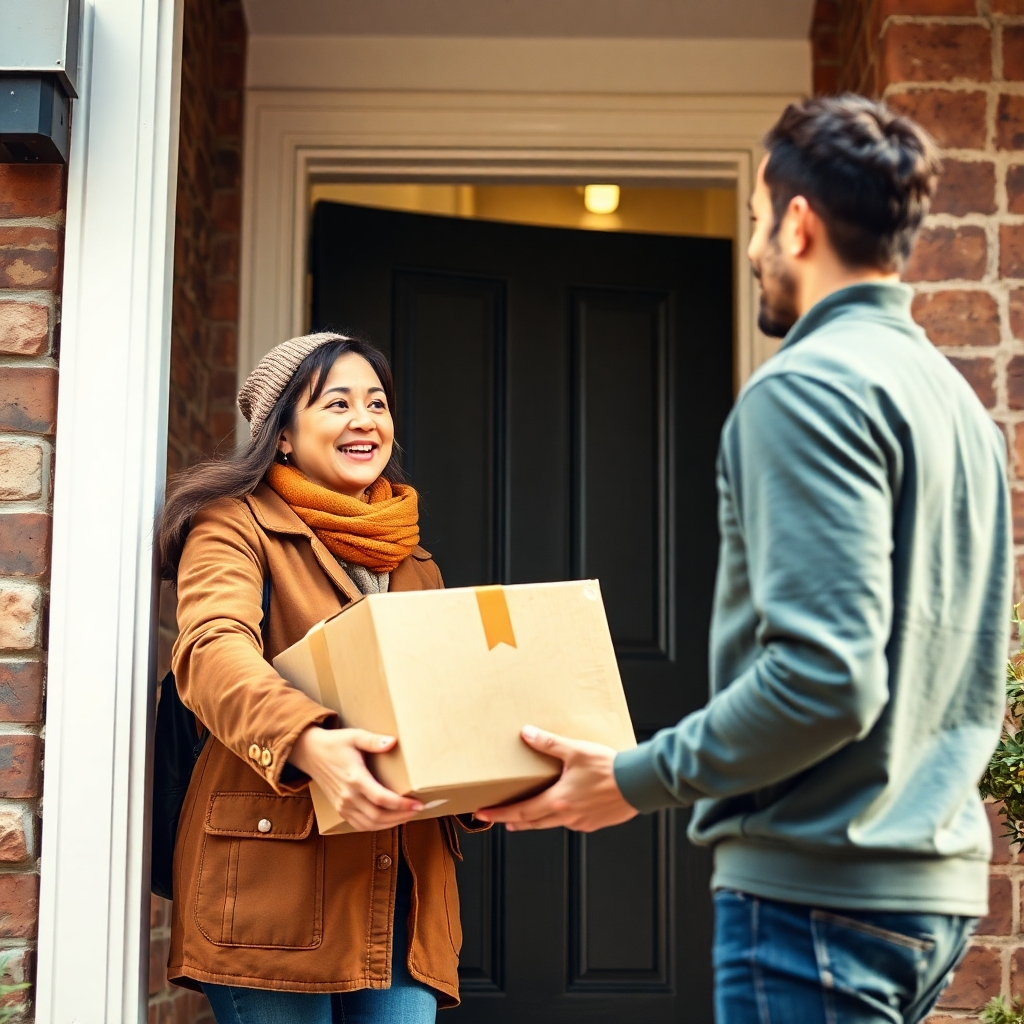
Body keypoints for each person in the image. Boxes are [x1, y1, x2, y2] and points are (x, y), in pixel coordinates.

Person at [477, 95, 1014, 1023]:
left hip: (817, 904)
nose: (757, 245)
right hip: (929, 895)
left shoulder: (805, 390)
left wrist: (633, 776)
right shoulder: (955, 403)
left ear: (798, 223)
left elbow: (826, 678)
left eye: (761, 219)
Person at [159, 333, 484, 1024]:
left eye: (377, 402)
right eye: (337, 402)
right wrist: (309, 742)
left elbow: (430, 711)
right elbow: (212, 649)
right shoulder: (232, 524)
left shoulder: (415, 561)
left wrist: (483, 783)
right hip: (272, 886)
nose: (365, 418)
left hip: (401, 892)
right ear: (281, 435)